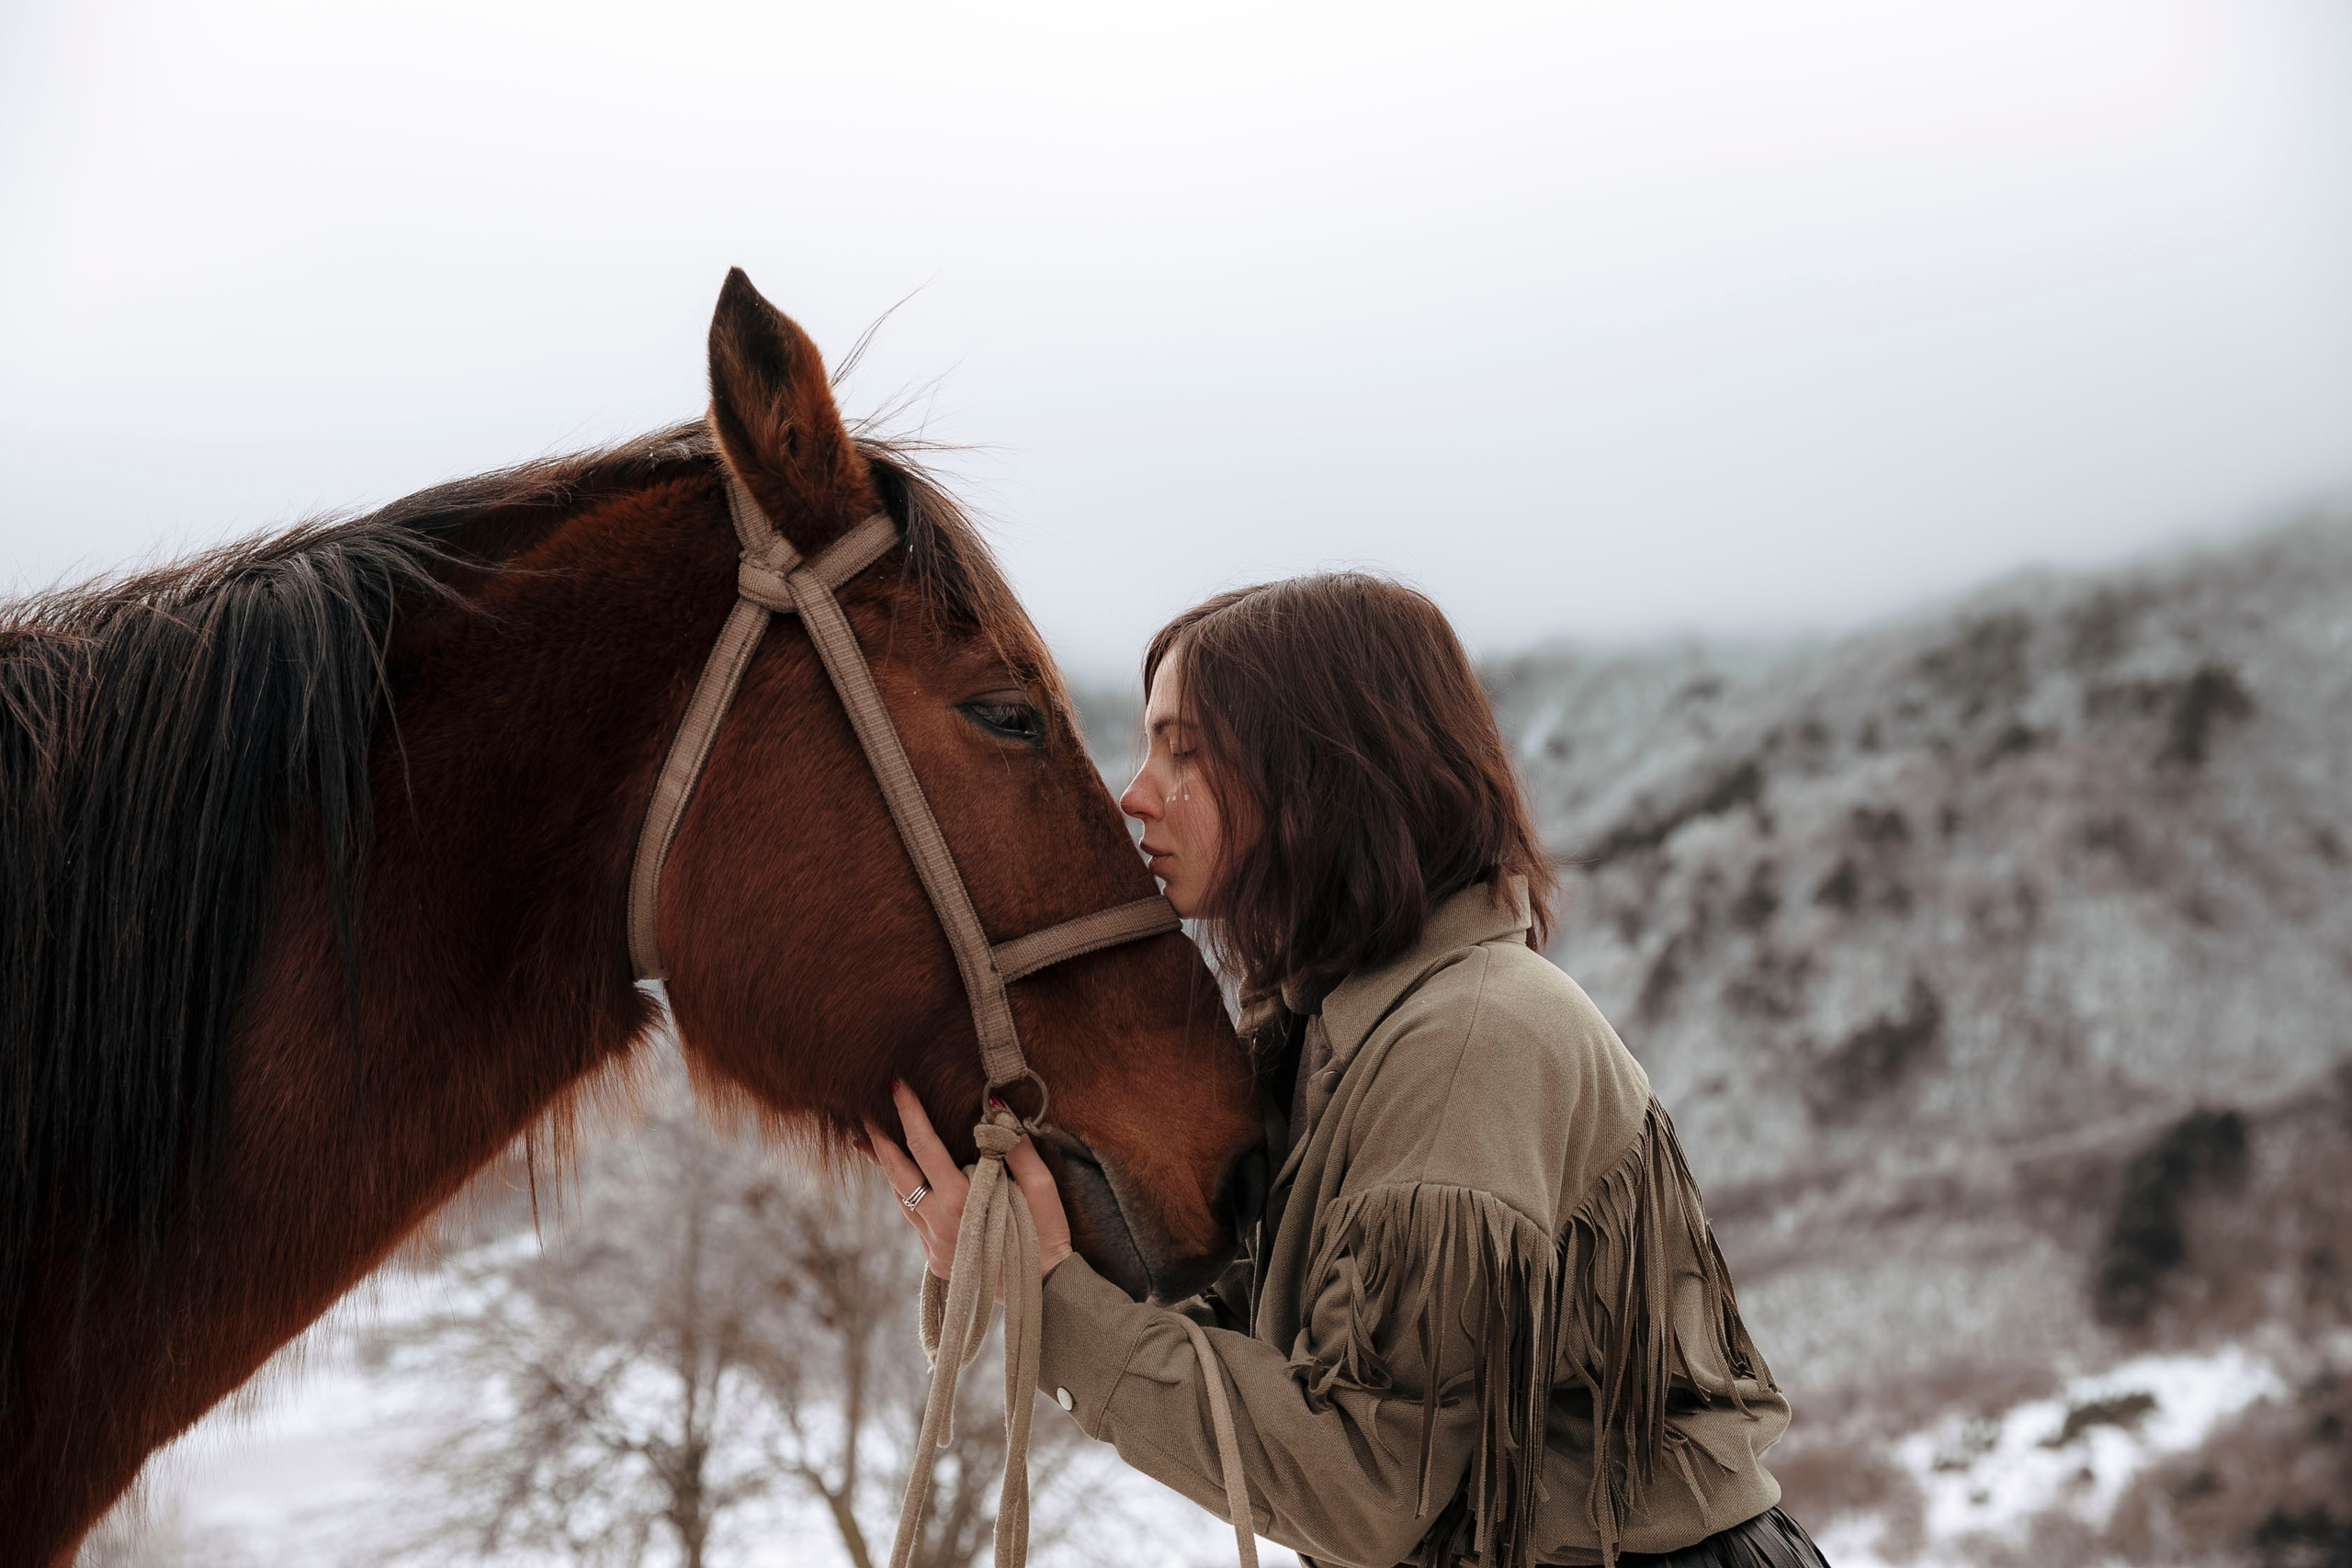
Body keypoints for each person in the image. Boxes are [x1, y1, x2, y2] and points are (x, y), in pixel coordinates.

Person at [868, 574, 1828, 1568]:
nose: (1134, 793)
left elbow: (1362, 1484)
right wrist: (1017, 1259)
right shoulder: (1334, 1028)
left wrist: (1056, 1300)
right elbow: (1264, 1337)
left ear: (1323, 775)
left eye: (1185, 751)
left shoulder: (1466, 1043)